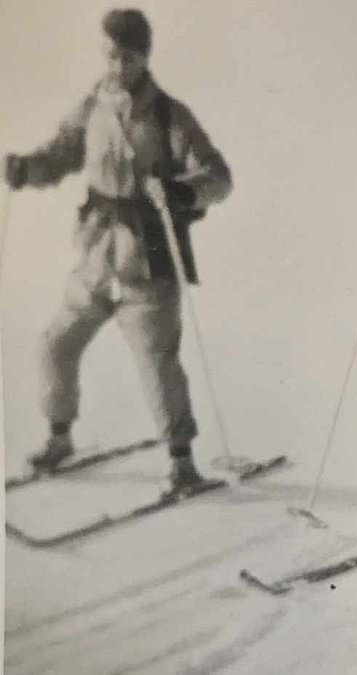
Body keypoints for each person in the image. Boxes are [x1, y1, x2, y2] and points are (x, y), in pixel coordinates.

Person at [3, 9, 232, 493]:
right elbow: (62, 153)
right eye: (111, 55)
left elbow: (217, 176)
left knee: (156, 360)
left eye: (128, 57)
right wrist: (27, 169)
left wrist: (181, 190)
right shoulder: (94, 105)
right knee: (55, 344)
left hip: (148, 260)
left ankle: (181, 461)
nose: (118, 66)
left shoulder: (168, 115)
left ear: (144, 58)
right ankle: (59, 437)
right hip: (97, 256)